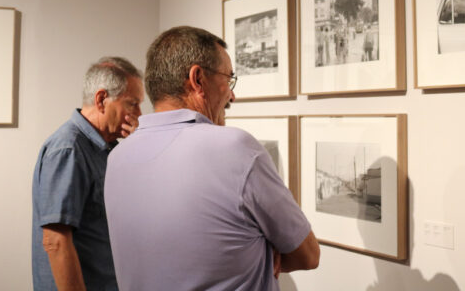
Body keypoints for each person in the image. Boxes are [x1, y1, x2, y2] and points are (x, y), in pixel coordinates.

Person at [105, 26, 320, 290]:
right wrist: (266, 253)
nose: (232, 94)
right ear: (197, 79)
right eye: (228, 79)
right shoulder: (236, 148)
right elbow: (308, 255)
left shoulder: (117, 157)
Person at [31, 57, 144, 291]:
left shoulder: (108, 148)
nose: (139, 114)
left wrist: (139, 149)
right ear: (102, 99)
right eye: (133, 104)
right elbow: (56, 241)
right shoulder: (69, 149)